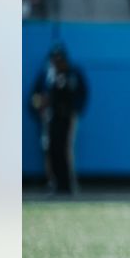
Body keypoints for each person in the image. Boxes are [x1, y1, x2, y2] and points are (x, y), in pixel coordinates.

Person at [30, 44, 89, 195]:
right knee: (51, 150)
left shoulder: (72, 73)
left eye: (60, 59)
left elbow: (82, 93)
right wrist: (39, 108)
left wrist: (76, 110)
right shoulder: (47, 75)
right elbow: (35, 97)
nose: (57, 62)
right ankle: (54, 182)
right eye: (55, 59)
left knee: (66, 148)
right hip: (50, 117)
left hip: (68, 117)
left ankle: (69, 183)